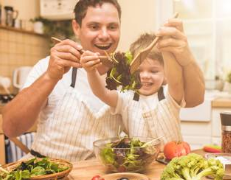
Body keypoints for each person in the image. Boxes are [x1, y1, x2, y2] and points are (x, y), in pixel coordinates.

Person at [2, 0, 204, 161]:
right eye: (94, 26)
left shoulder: (132, 72)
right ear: (77, 27)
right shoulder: (50, 66)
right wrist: (50, 76)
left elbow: (194, 99)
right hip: (51, 171)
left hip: (103, 173)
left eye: (112, 27)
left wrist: (186, 57)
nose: (104, 35)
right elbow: (11, 128)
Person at [82, 33, 185, 143]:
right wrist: (91, 71)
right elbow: (102, 92)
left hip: (173, 158)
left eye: (154, 71)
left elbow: (176, 80)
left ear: (165, 74)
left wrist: (170, 49)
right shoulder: (126, 99)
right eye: (139, 70)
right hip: (141, 159)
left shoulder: (169, 95)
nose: (145, 76)